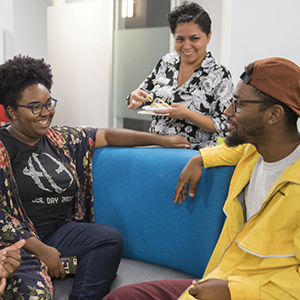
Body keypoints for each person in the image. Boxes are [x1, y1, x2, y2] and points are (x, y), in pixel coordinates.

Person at [103, 57, 300, 300]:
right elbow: (231, 149)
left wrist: (233, 292)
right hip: (222, 277)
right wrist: (200, 158)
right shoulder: (253, 152)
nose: (227, 112)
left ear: (274, 114)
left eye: (238, 105)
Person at [0, 54, 191, 300]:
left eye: (49, 103)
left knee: (109, 240)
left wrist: (162, 141)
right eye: (36, 107)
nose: (46, 112)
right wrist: (40, 249)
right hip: (15, 245)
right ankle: (46, 265)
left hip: (56, 233)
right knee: (34, 293)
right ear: (12, 112)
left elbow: (107, 136)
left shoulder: (60, 139)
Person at [127, 1, 233, 150]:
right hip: (156, 150)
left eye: (194, 38)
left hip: (194, 158)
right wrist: (135, 97)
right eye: (180, 39)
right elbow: (145, 96)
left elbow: (226, 125)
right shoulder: (166, 63)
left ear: (208, 36)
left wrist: (188, 114)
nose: (186, 45)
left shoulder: (219, 74)